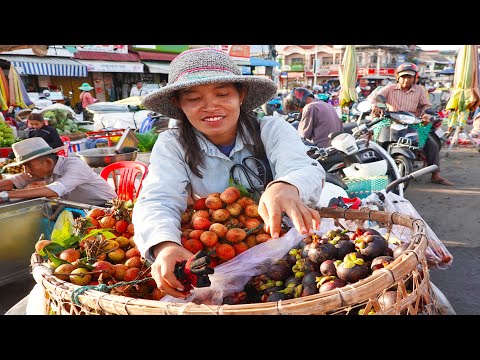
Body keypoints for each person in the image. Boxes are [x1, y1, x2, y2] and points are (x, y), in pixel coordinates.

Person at [132, 47, 325, 299]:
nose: (210, 106)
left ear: (241, 95)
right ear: (178, 104)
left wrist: (286, 186)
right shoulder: (173, 144)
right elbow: (158, 198)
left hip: (287, 260)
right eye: (193, 99)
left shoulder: (271, 129)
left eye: (222, 94)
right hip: (219, 264)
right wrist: (165, 245)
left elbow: (302, 167)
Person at [370, 62, 453, 186]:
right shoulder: (390, 88)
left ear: (415, 78)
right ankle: (373, 170)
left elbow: (426, 106)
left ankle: (435, 175)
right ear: (398, 77)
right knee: (375, 141)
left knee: (432, 145)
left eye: (409, 77)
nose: (406, 80)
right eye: (403, 77)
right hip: (390, 120)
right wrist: (376, 106)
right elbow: (375, 97)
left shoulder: (419, 90)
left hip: (413, 122)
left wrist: (426, 115)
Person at [0, 137, 117, 206]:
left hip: (105, 207)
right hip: (76, 207)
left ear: (48, 162)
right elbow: (14, 181)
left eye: (28, 165)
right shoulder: (38, 170)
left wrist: (6, 195)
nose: (26, 171)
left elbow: (55, 190)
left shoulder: (75, 166)